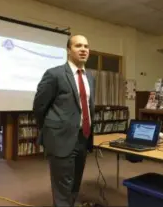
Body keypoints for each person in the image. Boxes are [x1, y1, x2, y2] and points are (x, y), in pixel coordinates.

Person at [33, 35, 95, 207]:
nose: (83, 49)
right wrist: (50, 130)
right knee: (62, 188)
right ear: (68, 50)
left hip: (83, 138)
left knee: (75, 184)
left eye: (86, 46)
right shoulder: (54, 74)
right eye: (78, 46)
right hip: (60, 139)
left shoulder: (89, 77)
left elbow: (88, 107)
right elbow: (39, 107)